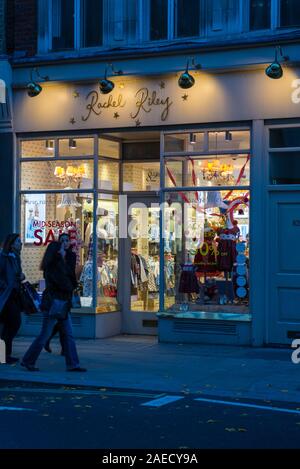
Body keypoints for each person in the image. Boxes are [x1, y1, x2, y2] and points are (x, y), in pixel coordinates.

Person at [21, 241, 86, 372]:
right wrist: (72, 285)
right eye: (62, 248)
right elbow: (66, 284)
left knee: (68, 334)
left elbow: (70, 281)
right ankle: (28, 360)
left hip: (61, 304)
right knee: (45, 334)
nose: (64, 250)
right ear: (57, 252)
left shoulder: (60, 264)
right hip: (55, 304)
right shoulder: (54, 267)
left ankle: (73, 364)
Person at [44, 233, 77, 355]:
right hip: (59, 293)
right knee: (62, 320)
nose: (65, 242)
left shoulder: (71, 255)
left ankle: (61, 346)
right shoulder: (55, 256)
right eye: (62, 240)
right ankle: (63, 347)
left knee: (63, 320)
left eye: (67, 240)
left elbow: (70, 273)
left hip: (67, 290)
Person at [0, 233, 25, 364]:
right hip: (7, 295)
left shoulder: (16, 257)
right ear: (11, 244)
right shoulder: (3, 257)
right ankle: (4, 354)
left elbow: (16, 274)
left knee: (11, 325)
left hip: (14, 294)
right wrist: (5, 285)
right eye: (18, 242)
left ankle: (4, 354)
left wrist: (21, 276)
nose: (20, 244)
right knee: (13, 324)